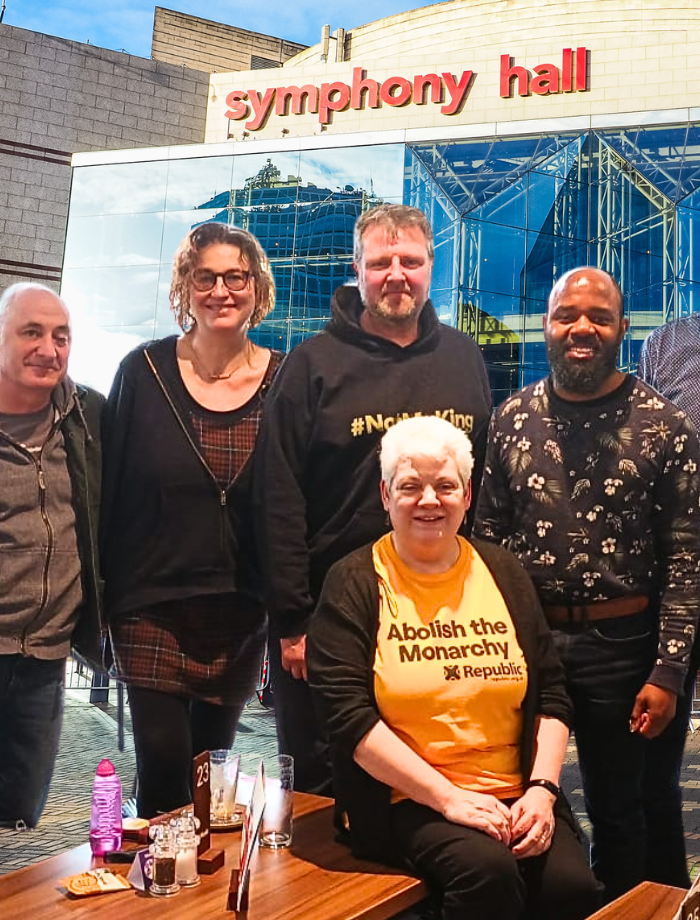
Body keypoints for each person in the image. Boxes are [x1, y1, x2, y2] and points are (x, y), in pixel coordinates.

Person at [306, 416, 599, 920]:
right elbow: (347, 721)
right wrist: (448, 799)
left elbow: (552, 694)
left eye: (445, 486)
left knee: (571, 888)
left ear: (467, 494)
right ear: (385, 495)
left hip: (515, 790)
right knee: (487, 874)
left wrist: (543, 791)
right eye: (410, 487)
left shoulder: (503, 570)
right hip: (408, 797)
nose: (429, 500)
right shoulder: (353, 582)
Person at [474, 267, 700, 901]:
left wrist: (669, 672)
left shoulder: (665, 426)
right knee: (517, 797)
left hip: (626, 651)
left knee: (622, 810)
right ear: (548, 326)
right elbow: (487, 544)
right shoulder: (509, 419)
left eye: (599, 317)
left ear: (622, 329)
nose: (582, 328)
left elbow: (687, 560)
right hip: (528, 646)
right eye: (567, 315)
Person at [255, 203, 492, 795]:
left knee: (430, 778)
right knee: (321, 786)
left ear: (430, 267)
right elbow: (277, 497)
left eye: (410, 261)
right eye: (381, 262)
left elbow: (481, 487)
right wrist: (292, 622)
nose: (396, 275)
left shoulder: (463, 357)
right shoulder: (311, 364)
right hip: (332, 614)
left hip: (441, 618)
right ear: (357, 270)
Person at [101, 222, 283, 818]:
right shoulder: (143, 371)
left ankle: (192, 869)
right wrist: (102, 601)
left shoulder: (285, 381)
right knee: (162, 761)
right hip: (149, 604)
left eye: (236, 277)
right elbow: (111, 488)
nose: (221, 290)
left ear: (257, 288)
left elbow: (295, 499)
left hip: (239, 610)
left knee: (209, 771)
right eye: (205, 278)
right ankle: (155, 866)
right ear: (185, 286)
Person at [0, 282, 104, 828]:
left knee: (19, 815)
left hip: (45, 657)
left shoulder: (88, 418)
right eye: (31, 333)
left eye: (61, 336)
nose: (48, 349)